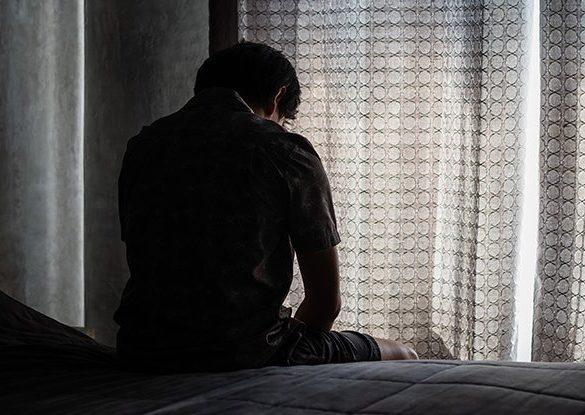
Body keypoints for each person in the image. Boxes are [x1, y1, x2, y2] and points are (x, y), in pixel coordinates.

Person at [114, 42, 417, 373]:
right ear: (277, 96)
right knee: (405, 355)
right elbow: (325, 304)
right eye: (282, 119)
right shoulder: (283, 150)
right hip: (244, 353)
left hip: (141, 350)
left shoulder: (142, 147)